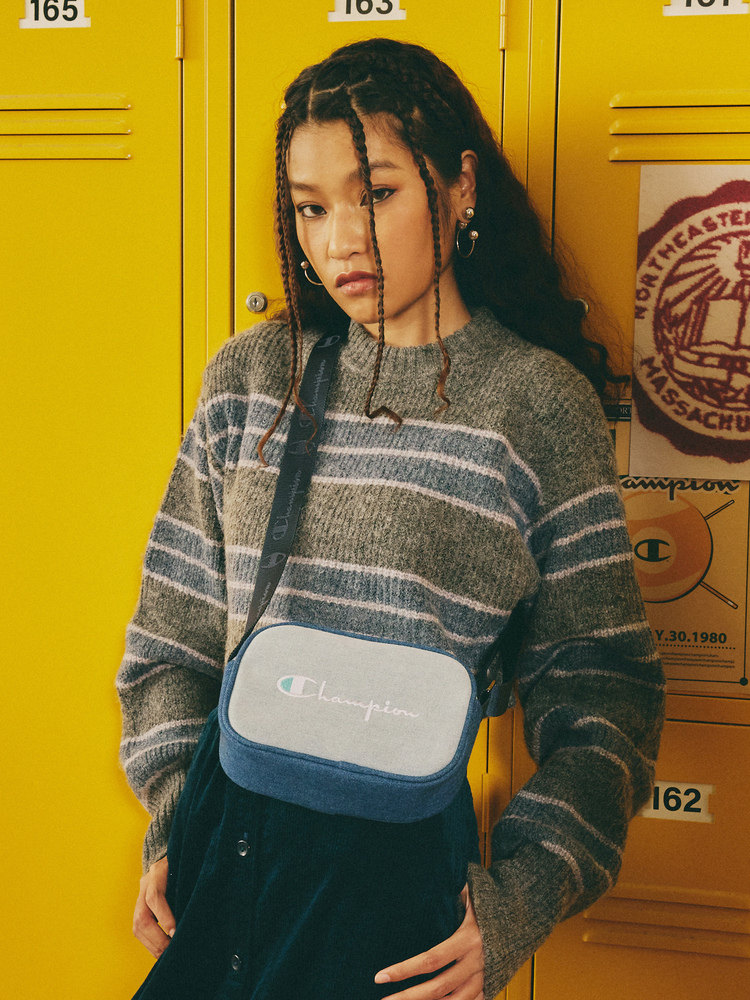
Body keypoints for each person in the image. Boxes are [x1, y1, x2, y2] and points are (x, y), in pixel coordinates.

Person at [117, 37, 666, 1000]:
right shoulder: (252, 379)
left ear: (460, 188)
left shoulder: (535, 404)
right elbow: (169, 646)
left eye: (375, 194)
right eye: (310, 207)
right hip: (219, 865)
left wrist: (522, 896)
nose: (339, 242)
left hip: (397, 909)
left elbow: (604, 693)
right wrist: (175, 814)